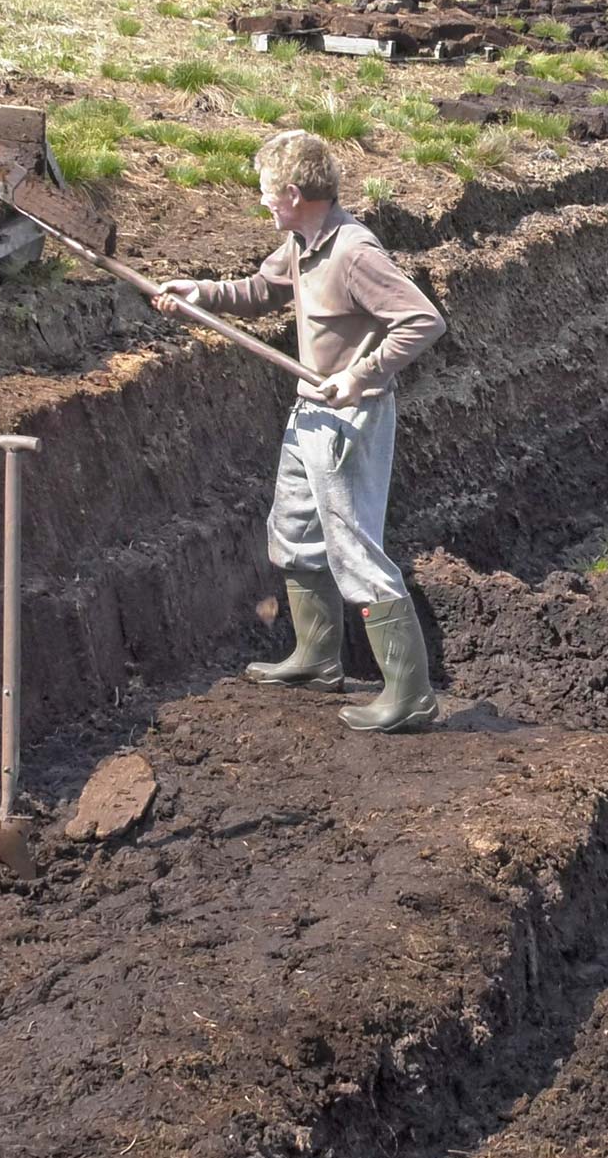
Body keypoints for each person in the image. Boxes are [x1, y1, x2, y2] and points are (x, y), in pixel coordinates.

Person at [155, 130, 447, 732]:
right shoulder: (300, 243)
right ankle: (317, 660)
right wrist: (200, 293)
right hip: (309, 410)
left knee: (354, 549)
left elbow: (423, 320)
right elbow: (263, 292)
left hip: (348, 418)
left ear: (292, 193)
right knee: (292, 530)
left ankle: (411, 696)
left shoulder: (353, 253)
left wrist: (361, 375)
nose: (262, 204)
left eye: (266, 194)